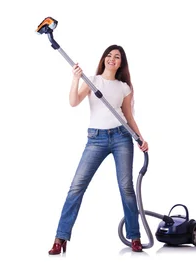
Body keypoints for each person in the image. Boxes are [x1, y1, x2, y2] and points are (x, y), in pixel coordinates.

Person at [48, 44, 149, 255]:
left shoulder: (124, 87)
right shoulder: (92, 81)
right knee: (77, 186)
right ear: (104, 58)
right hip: (96, 139)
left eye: (117, 57)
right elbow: (73, 102)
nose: (112, 59)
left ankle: (135, 237)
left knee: (126, 188)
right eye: (109, 55)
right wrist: (76, 78)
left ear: (121, 62)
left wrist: (140, 138)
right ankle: (60, 238)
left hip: (122, 137)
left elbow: (129, 117)